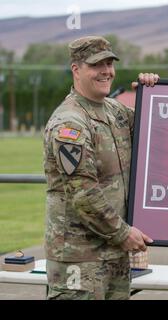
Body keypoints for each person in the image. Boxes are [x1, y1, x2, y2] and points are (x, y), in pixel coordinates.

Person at [43, 36, 159, 300]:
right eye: (97, 65)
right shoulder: (69, 124)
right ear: (76, 69)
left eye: (109, 63)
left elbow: (157, 125)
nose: (106, 71)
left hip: (115, 254)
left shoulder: (114, 111)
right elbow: (83, 193)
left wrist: (151, 93)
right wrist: (123, 233)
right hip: (80, 259)